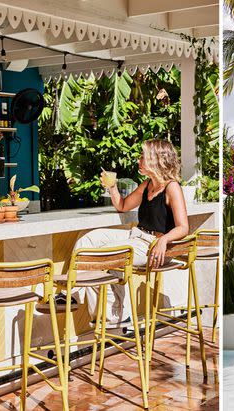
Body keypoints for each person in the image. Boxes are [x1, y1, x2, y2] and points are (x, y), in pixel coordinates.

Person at [71, 139, 189, 327]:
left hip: (153, 246)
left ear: (155, 159)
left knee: (100, 257)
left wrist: (164, 240)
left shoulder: (172, 187)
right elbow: (123, 206)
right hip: (137, 236)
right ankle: (72, 295)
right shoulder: (147, 184)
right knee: (87, 240)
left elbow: (183, 227)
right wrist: (112, 186)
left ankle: (114, 316)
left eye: (143, 156)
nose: (139, 160)